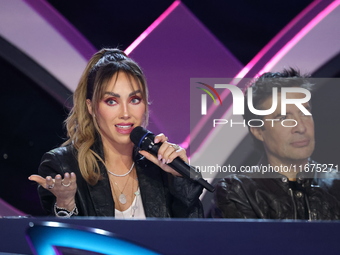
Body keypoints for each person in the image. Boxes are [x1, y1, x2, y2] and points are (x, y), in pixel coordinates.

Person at [29, 48, 203, 218]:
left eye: (135, 100)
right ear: (91, 107)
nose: (126, 113)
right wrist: (65, 205)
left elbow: (194, 238)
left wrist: (180, 178)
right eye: (112, 101)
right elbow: (65, 243)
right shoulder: (63, 165)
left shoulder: (159, 166)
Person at [212, 68, 340, 220]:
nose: (301, 127)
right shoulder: (239, 190)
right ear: (258, 131)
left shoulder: (336, 184)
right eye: (284, 118)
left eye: (305, 112)